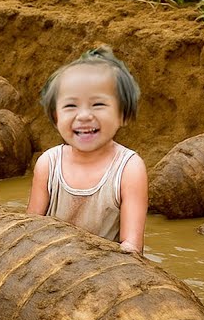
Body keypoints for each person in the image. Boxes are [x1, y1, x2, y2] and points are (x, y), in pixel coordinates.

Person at [27, 47, 148, 253]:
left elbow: (131, 247)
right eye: (71, 106)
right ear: (55, 118)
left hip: (103, 272)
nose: (83, 115)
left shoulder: (129, 169)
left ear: (123, 115)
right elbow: (29, 232)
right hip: (49, 265)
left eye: (98, 104)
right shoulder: (48, 163)